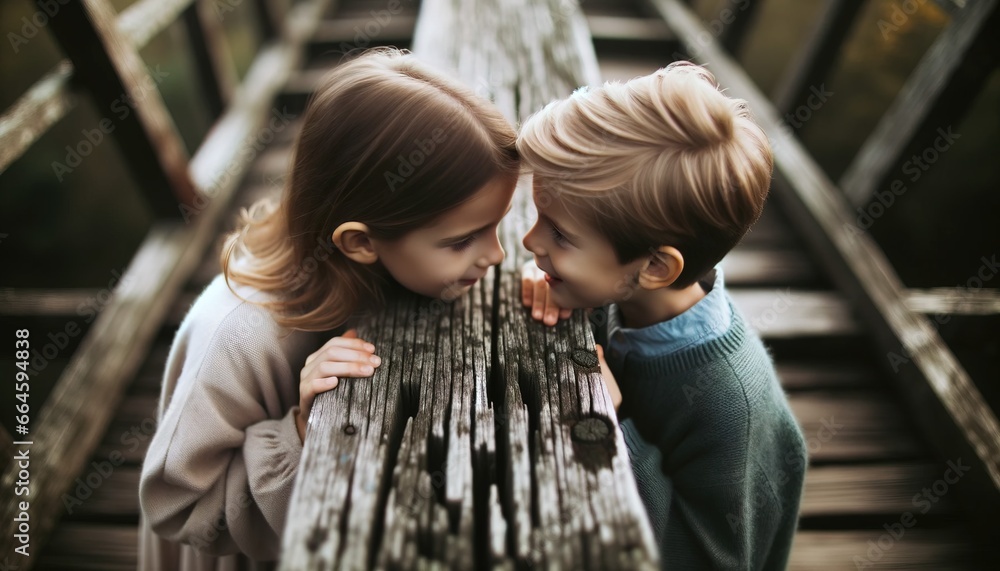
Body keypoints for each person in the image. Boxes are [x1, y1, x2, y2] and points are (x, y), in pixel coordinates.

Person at [138, 48, 519, 570]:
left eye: (496, 227)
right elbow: (177, 507)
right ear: (360, 242)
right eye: (461, 241)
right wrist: (299, 432)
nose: (497, 256)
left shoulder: (370, 254)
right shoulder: (234, 337)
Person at [518, 62, 807, 569]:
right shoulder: (624, 292)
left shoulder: (730, 408)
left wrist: (609, 425)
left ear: (654, 265)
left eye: (559, 234)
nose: (529, 241)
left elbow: (702, 559)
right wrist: (556, 284)